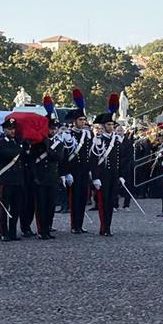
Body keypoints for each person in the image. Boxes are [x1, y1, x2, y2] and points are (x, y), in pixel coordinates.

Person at [90, 104, 130, 236]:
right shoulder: (98, 140)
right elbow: (94, 161)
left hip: (113, 175)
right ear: (103, 126)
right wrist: (95, 177)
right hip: (102, 176)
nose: (111, 127)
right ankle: (103, 227)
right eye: (108, 125)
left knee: (111, 202)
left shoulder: (116, 140)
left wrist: (121, 175)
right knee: (103, 202)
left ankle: (108, 226)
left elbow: (119, 159)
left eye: (112, 125)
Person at [0, 117, 29, 241]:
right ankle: (4, 232)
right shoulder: (1, 142)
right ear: (4, 130)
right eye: (9, 128)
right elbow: (8, 154)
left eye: (13, 128)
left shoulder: (16, 142)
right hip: (5, 179)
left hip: (17, 179)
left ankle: (13, 232)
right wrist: (21, 147)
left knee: (16, 207)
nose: (12, 131)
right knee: (4, 207)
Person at [65, 95, 94, 233]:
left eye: (84, 120)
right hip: (73, 170)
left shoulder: (87, 135)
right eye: (80, 120)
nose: (83, 122)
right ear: (74, 121)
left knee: (83, 199)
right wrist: (66, 172)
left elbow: (89, 154)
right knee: (74, 199)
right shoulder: (69, 134)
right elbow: (65, 155)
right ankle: (74, 225)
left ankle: (80, 225)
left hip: (84, 170)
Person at [31, 118, 63, 239]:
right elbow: (32, 160)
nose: (53, 131)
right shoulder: (37, 143)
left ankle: (48, 228)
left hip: (52, 178)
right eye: (51, 128)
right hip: (40, 178)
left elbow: (57, 158)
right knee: (41, 205)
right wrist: (35, 176)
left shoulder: (58, 144)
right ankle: (41, 230)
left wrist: (48, 145)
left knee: (51, 205)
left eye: (55, 129)